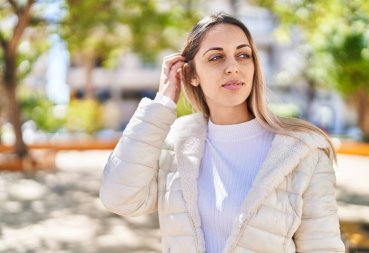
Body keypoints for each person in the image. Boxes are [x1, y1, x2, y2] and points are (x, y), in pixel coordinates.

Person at [100, 13, 345, 253]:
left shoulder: (303, 152)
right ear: (191, 74)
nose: (233, 67)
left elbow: (323, 246)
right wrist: (162, 103)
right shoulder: (175, 143)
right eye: (216, 57)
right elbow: (119, 198)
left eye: (243, 55)